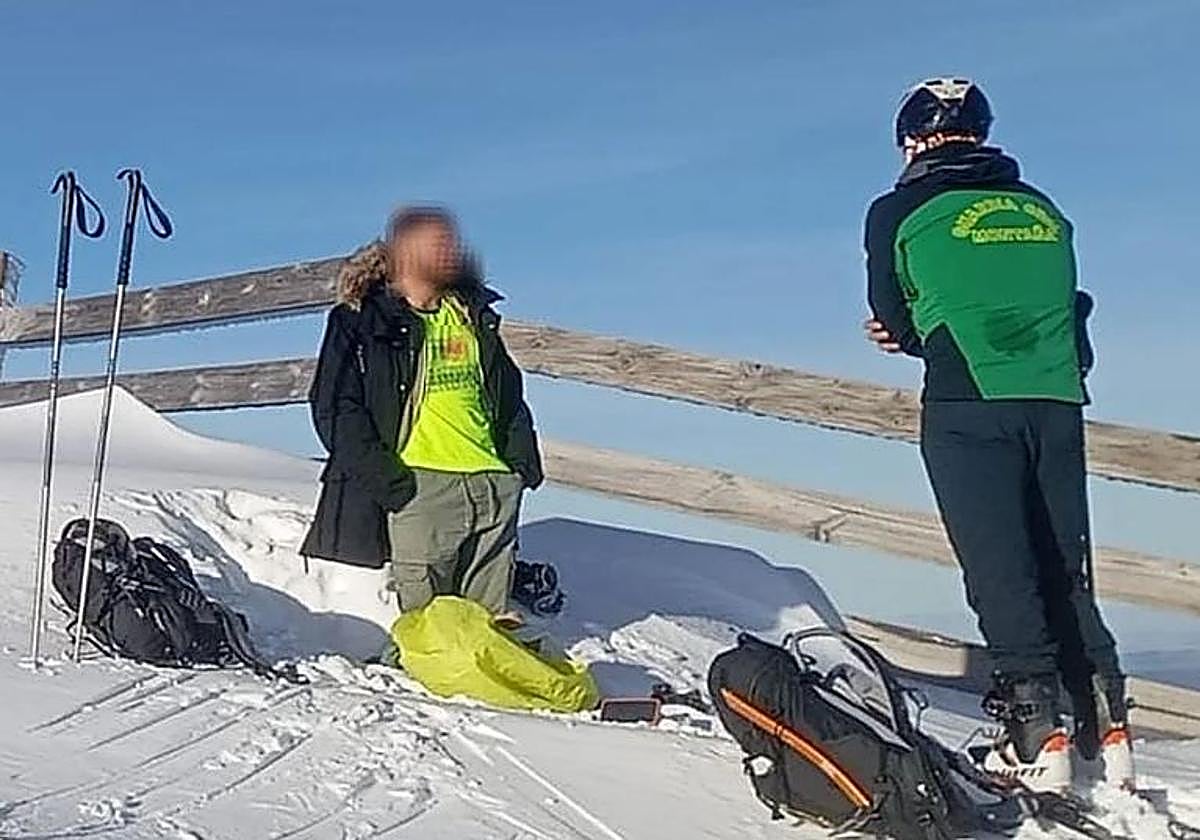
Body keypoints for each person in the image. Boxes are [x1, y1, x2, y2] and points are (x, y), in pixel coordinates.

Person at [862, 78, 1131, 790]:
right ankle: (1105, 722)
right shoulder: (1042, 207)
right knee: (1063, 561)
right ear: (982, 134)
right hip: (1056, 397)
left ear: (912, 140)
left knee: (1000, 565)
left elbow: (893, 311)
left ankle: (1033, 733)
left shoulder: (899, 209)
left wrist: (913, 335)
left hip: (968, 398)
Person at [300, 206, 543, 621]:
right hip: (420, 486)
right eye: (437, 245)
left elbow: (508, 395)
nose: (452, 253)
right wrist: (390, 482)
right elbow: (335, 406)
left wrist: (518, 468)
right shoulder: (360, 319)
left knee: (489, 628)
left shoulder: (471, 314)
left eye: (451, 244)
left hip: (492, 486)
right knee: (427, 629)